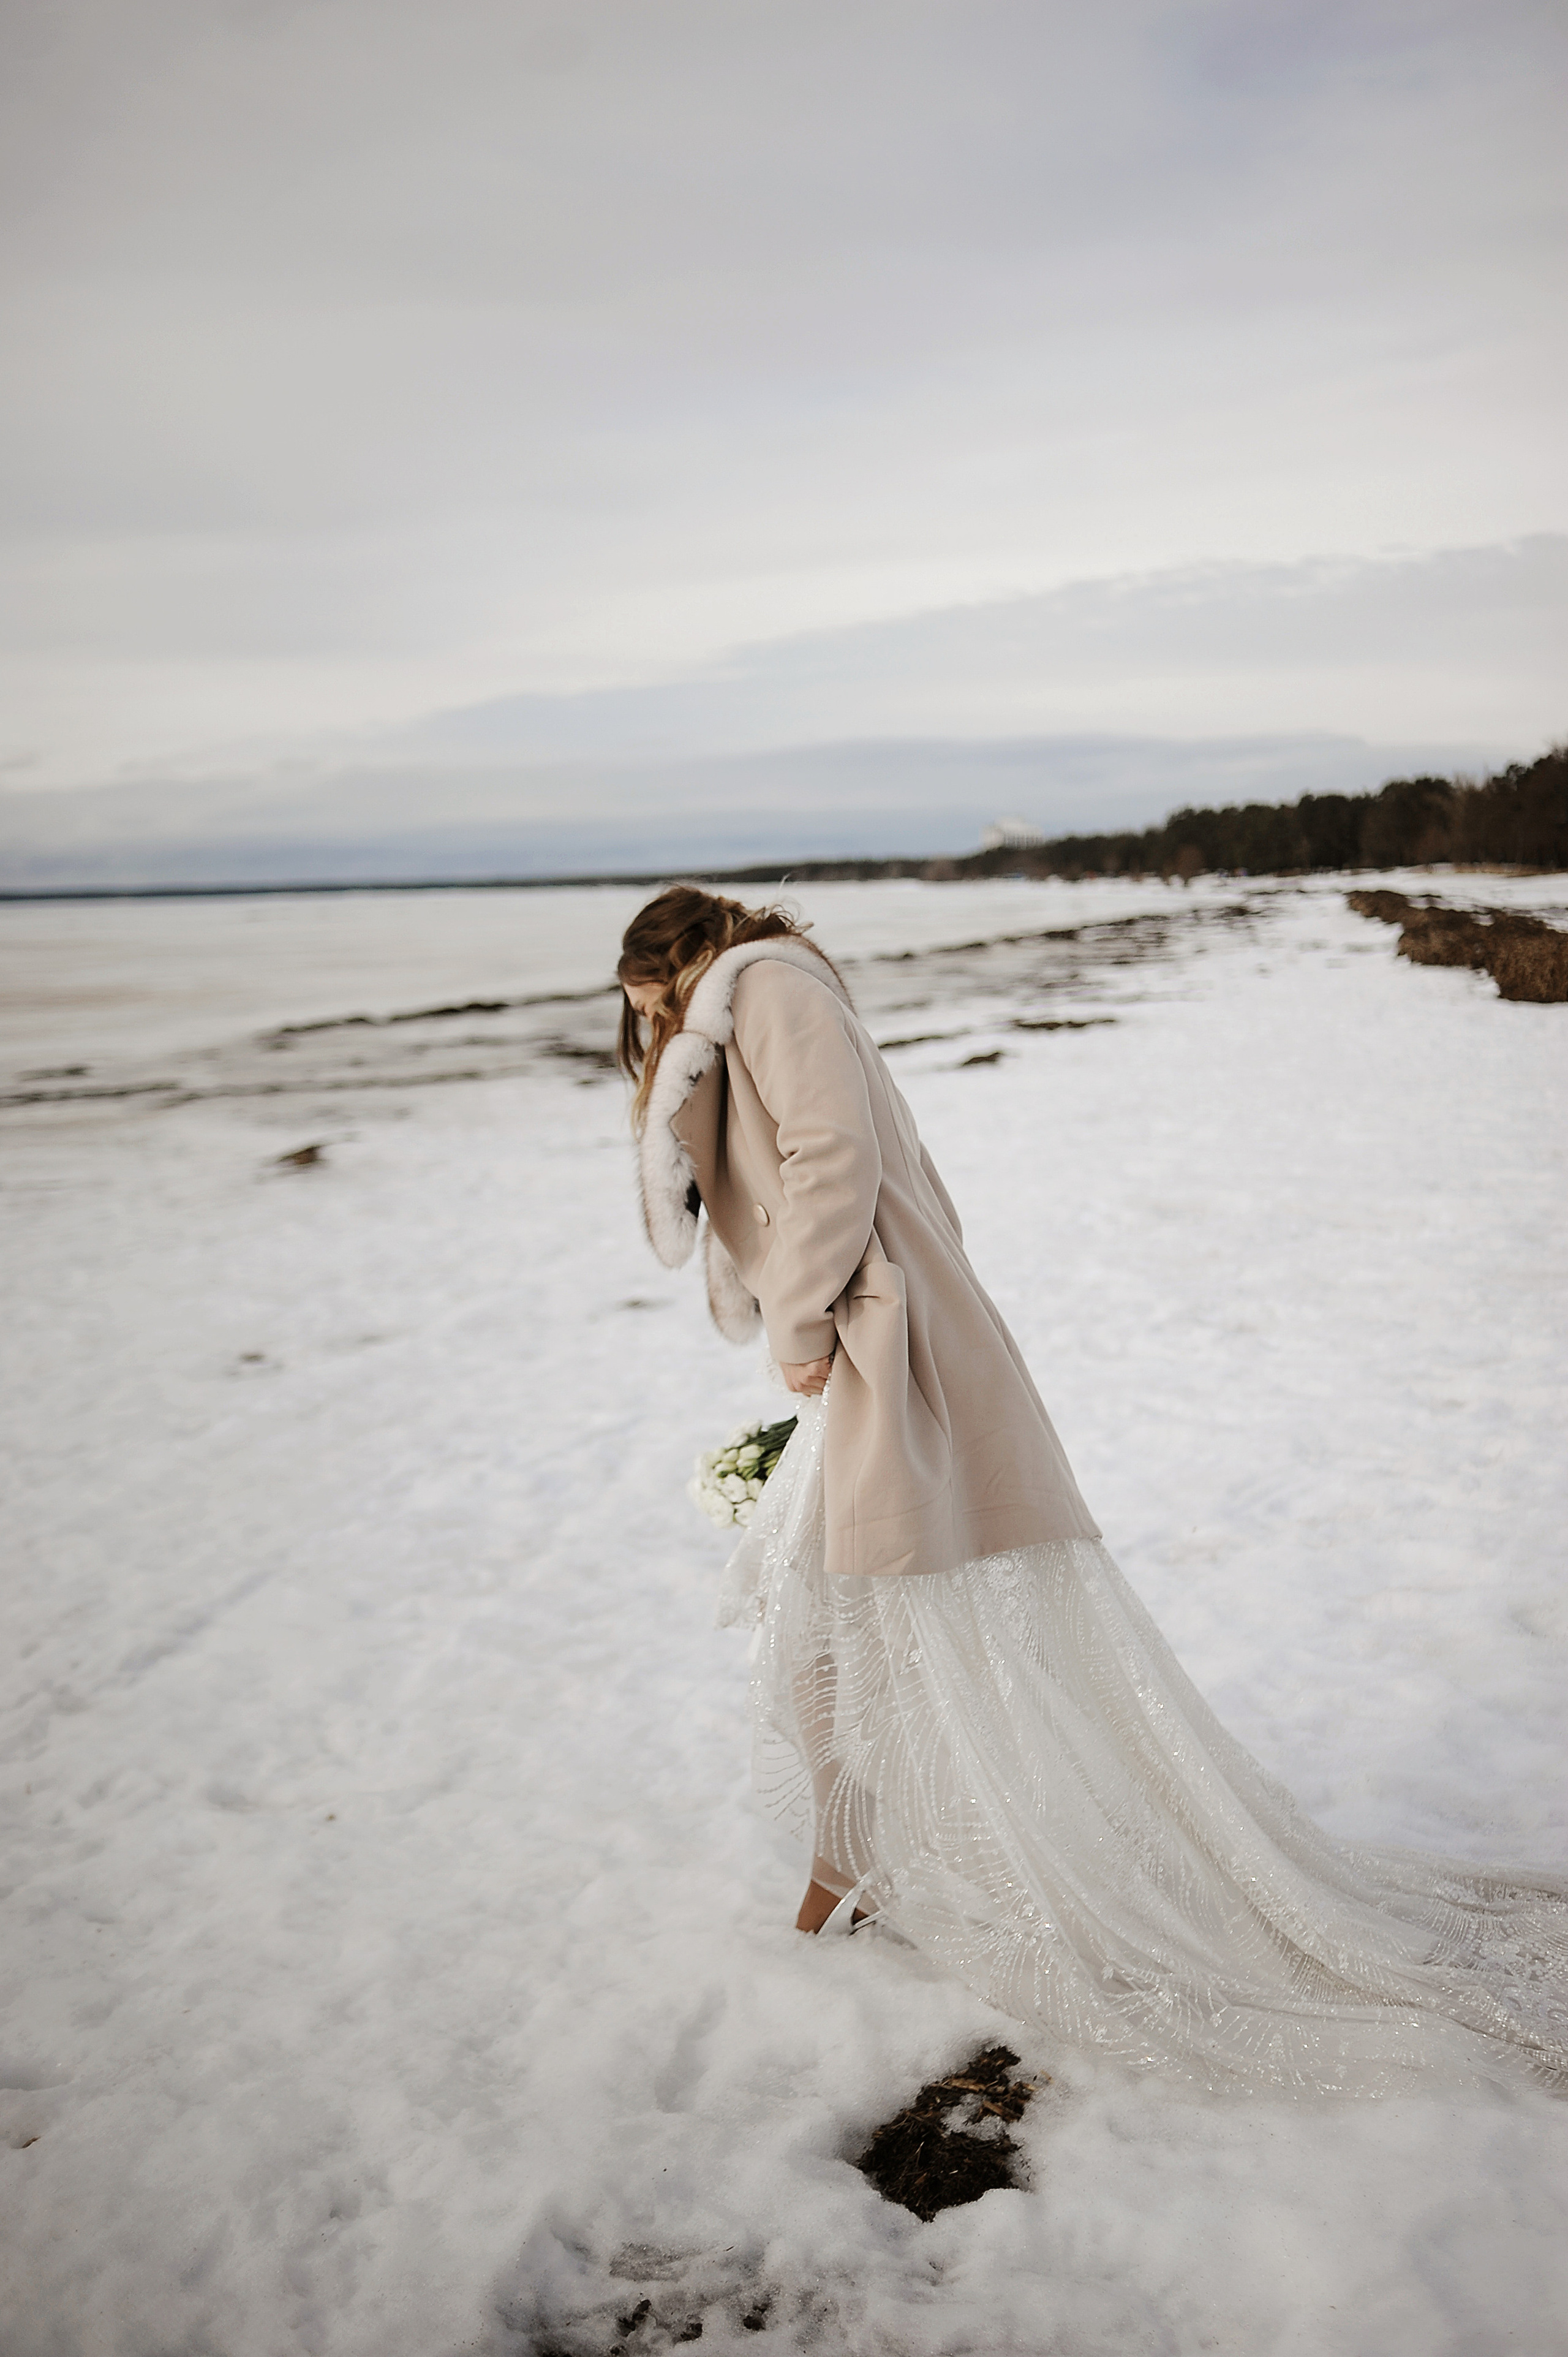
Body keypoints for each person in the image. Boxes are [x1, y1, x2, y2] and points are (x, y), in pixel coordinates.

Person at [617, 883, 1568, 2097]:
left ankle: (850, 1862)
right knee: (825, 1603)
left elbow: (834, 1153)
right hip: (868, 1334)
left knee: (843, 1596)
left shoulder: (766, 988)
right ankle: (847, 1856)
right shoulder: (752, 992)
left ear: (661, 969)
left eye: (644, 1004)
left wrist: (800, 1320)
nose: (646, 1028)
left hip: (876, 1335)